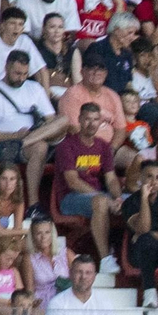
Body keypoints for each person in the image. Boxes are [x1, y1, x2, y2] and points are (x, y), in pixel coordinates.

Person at [0, 50, 68, 209]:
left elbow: (51, 120)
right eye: (17, 73)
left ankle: (27, 141)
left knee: (64, 120)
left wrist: (33, 135)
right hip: (6, 145)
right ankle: (33, 204)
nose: (21, 78)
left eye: (25, 74)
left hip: (32, 137)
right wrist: (15, 135)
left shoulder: (34, 88)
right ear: (6, 68)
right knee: (40, 146)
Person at [54, 102, 124, 276]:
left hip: (97, 197)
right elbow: (73, 181)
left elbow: (111, 178)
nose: (91, 124)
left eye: (95, 120)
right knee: (100, 202)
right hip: (70, 198)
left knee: (135, 202)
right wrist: (105, 199)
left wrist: (118, 199)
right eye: (87, 119)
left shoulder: (103, 146)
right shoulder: (67, 145)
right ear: (79, 120)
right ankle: (106, 259)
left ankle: (128, 258)